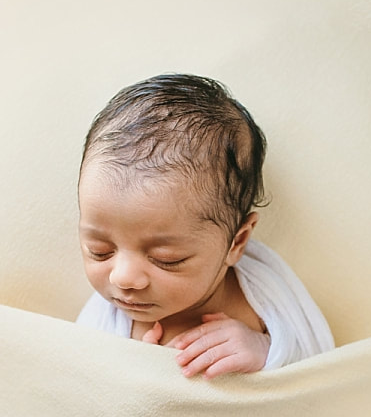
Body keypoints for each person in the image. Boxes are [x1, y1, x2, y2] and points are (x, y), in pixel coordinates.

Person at [76, 73, 334, 378]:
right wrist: (136, 376)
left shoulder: (261, 293)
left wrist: (266, 350)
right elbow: (83, 387)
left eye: (166, 259)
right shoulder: (104, 319)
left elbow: (321, 368)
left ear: (237, 243)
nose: (124, 278)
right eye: (100, 251)